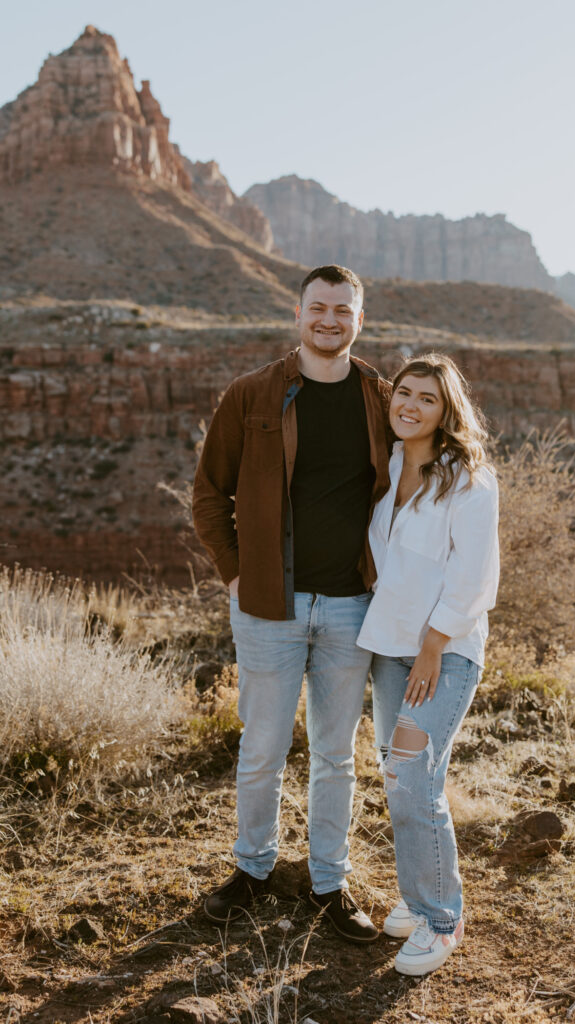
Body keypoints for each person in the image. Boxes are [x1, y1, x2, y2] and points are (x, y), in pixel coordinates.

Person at [192, 264, 391, 943]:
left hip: (351, 609)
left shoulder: (379, 399)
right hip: (267, 607)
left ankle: (328, 884)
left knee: (336, 755)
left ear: (358, 318)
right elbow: (207, 495)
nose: (329, 319)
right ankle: (252, 872)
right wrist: (233, 575)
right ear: (297, 313)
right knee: (263, 748)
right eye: (318, 307)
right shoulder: (252, 395)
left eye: (342, 309)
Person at [356, 352, 499, 975]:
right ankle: (418, 901)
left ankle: (443, 920)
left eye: (428, 398)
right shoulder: (387, 467)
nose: (410, 405)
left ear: (447, 411)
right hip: (391, 652)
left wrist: (435, 646)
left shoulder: (469, 478)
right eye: (404, 393)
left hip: (441, 656)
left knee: (413, 779)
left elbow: (475, 577)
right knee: (402, 779)